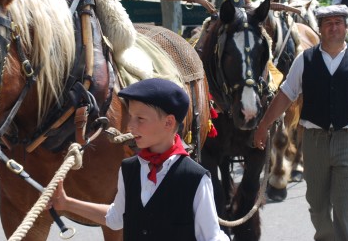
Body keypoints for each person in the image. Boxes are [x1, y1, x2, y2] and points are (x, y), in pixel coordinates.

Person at [253, 5, 348, 241]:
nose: (333, 27)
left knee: (347, 205)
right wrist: (263, 125)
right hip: (315, 143)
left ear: (346, 27)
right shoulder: (305, 60)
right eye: (328, 23)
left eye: (338, 22)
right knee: (317, 206)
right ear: (319, 29)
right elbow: (285, 95)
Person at [50, 78, 229, 241]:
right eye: (131, 117)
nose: (130, 126)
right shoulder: (129, 169)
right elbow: (116, 218)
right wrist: (66, 203)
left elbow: (212, 237)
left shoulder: (195, 178)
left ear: (168, 123)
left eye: (140, 119)